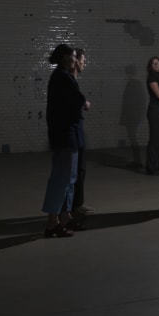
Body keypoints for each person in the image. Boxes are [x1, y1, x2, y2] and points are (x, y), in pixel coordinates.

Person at [42, 44, 86, 237]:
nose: (75, 60)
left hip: (68, 135)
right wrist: (85, 103)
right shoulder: (62, 77)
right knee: (62, 179)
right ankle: (52, 222)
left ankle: (64, 216)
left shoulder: (63, 76)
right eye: (73, 56)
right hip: (65, 135)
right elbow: (78, 100)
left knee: (69, 178)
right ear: (64, 57)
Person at [71, 48, 93, 216]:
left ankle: (78, 203)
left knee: (81, 170)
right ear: (76, 60)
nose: (84, 63)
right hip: (73, 132)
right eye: (83, 60)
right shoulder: (69, 80)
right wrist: (83, 103)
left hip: (78, 131)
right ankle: (71, 208)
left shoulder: (73, 81)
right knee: (75, 171)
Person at [145, 56, 159, 175]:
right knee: (155, 139)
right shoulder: (152, 77)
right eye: (154, 63)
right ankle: (151, 168)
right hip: (155, 111)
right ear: (151, 66)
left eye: (158, 63)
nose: (157, 65)